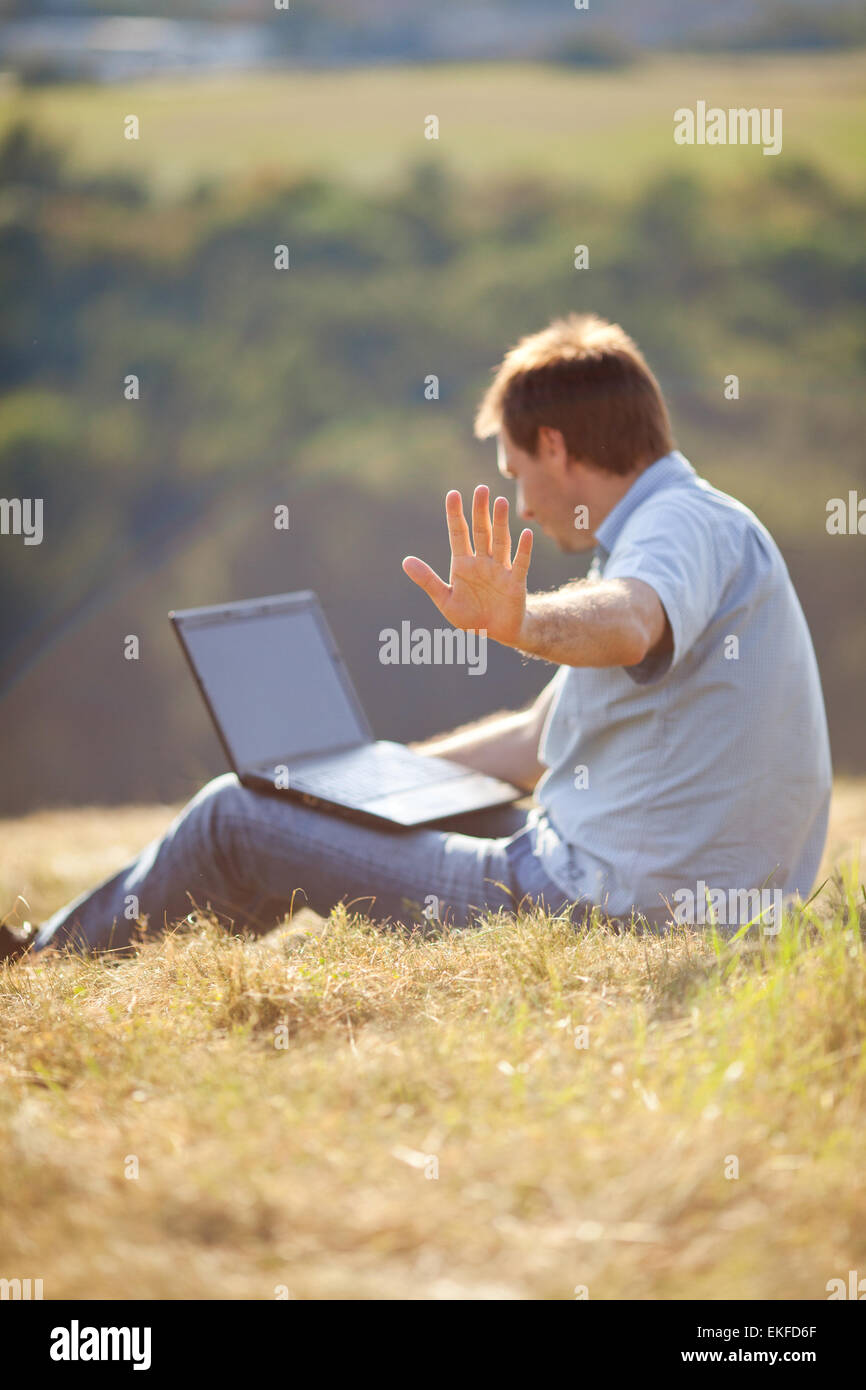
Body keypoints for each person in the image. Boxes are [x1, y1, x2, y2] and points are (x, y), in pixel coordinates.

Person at [5, 313, 832, 961]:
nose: (523, 503)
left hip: (608, 906)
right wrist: (355, 786)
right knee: (288, 810)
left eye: (514, 471)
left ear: (554, 445)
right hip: (663, 887)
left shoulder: (674, 525)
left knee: (232, 818)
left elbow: (628, 620)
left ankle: (42, 968)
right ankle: (140, 939)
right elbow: (534, 743)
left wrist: (521, 621)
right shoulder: (704, 526)